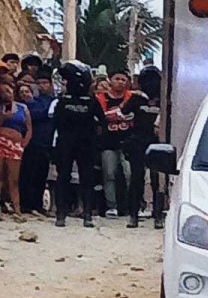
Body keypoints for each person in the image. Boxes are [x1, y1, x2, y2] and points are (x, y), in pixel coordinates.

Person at [52, 61, 100, 228]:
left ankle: (87, 214)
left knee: (87, 178)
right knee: (62, 177)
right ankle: (60, 214)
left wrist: (96, 139)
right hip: (65, 143)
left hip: (86, 144)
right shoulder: (63, 100)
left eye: (67, 79)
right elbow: (54, 124)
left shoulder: (91, 101)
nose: (65, 82)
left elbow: (103, 123)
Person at [122, 66, 165, 229]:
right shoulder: (136, 99)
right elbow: (124, 112)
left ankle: (158, 215)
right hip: (138, 143)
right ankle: (133, 215)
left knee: (157, 181)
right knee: (136, 179)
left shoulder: (164, 99)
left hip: (158, 145)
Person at [96, 69, 135, 218]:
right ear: (110, 80)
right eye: (117, 78)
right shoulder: (100, 98)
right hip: (108, 143)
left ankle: (129, 205)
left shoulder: (133, 99)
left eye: (123, 79)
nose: (120, 82)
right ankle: (111, 206)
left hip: (127, 143)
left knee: (129, 174)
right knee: (109, 174)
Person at [18, 69, 54, 215]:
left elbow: (41, 113)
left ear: (51, 84)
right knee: (26, 174)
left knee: (41, 175)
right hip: (28, 142)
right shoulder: (25, 100)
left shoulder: (52, 101)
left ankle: (37, 204)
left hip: (45, 143)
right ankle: (25, 204)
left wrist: (30, 103)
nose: (41, 86)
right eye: (38, 83)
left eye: (44, 83)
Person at [0, 80, 32, 219]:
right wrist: (3, 117)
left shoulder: (22, 107)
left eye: (9, 91)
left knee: (14, 178)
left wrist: (25, 141)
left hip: (16, 143)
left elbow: (29, 127)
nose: (8, 94)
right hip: (1, 140)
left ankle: (16, 208)